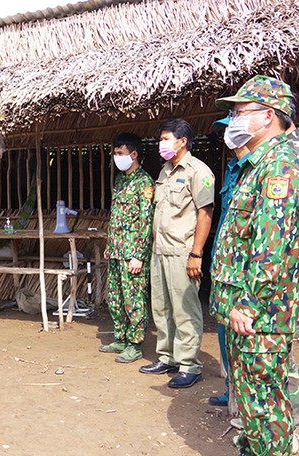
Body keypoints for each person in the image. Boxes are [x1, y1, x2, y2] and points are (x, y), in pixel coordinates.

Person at [212, 75, 299, 455]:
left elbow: (274, 244)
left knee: (265, 404)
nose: (234, 120)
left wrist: (249, 302)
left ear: (267, 116)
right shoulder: (257, 163)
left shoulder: (281, 164)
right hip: (248, 311)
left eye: (240, 112)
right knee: (252, 401)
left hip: (260, 314)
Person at [139, 118, 214, 389]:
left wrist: (196, 254)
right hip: (160, 250)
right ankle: (167, 357)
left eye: (166, 138)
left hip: (182, 251)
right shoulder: (165, 172)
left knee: (185, 309)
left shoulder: (198, 171)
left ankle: (189, 365)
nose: (162, 144)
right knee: (161, 308)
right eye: (161, 139)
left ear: (182, 142)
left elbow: (205, 213)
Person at [206, 116, 251, 407]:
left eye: (232, 126)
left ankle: (248, 397)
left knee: (247, 338)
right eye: (225, 129)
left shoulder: (264, 170)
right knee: (224, 332)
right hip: (224, 267)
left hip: (246, 271)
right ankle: (231, 389)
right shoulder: (233, 169)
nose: (227, 134)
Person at [100, 133, 154, 363]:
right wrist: (109, 245)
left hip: (132, 253)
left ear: (133, 154)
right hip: (116, 250)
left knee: (134, 299)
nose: (116, 157)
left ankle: (135, 343)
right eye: (114, 153)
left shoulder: (145, 183)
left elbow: (146, 221)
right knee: (115, 297)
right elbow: (116, 216)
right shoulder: (121, 180)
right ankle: (121, 337)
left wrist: (139, 256)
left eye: (120, 153)